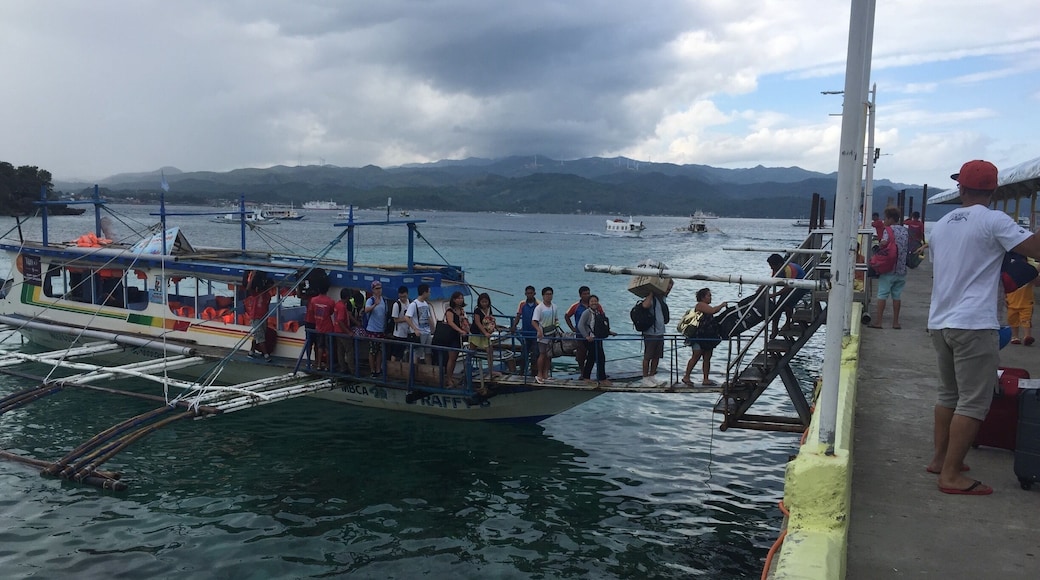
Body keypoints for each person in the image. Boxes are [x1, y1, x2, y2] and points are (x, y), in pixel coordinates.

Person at [927, 159, 1040, 496]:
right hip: (974, 323)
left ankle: (940, 459)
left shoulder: (943, 223)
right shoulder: (993, 220)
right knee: (974, 403)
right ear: (992, 190)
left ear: (961, 187)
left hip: (940, 321)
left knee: (948, 395)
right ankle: (950, 476)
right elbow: (1034, 249)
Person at [867, 206, 909, 329]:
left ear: (890, 218)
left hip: (889, 269)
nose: (884, 220)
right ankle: (895, 322)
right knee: (896, 295)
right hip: (901, 269)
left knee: (882, 294)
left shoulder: (888, 230)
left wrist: (880, 244)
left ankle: (878, 322)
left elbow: (884, 244)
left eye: (885, 218)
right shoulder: (905, 231)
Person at [681, 288, 729, 386]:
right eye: (709, 295)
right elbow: (712, 311)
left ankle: (706, 379)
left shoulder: (706, 306)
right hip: (699, 336)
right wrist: (722, 305)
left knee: (707, 357)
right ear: (703, 297)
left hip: (708, 336)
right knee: (696, 356)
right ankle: (686, 377)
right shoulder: (700, 305)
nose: (710, 297)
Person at [637, 279, 672, 378]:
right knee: (648, 356)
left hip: (660, 333)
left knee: (657, 357)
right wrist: (651, 293)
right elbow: (645, 305)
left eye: (670, 290)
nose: (668, 292)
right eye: (667, 289)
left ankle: (652, 376)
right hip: (650, 333)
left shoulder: (662, 299)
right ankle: (645, 377)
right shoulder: (652, 298)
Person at [433, 291, 469, 387]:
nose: (460, 300)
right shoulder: (450, 310)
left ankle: (450, 376)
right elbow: (450, 322)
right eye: (458, 298)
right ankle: (449, 378)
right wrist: (460, 330)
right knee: (451, 358)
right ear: (454, 299)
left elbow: (464, 321)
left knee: (454, 358)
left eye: (461, 298)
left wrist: (466, 328)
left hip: (457, 337)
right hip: (450, 336)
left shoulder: (461, 310)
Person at [766, 253, 805, 338]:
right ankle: (774, 329)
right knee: (778, 308)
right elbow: (772, 280)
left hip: (801, 286)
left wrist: (774, 294)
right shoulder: (777, 269)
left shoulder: (789, 269)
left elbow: (789, 288)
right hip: (791, 286)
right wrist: (759, 291)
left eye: (772, 266)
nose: (771, 268)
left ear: (779, 264)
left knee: (786, 304)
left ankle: (787, 323)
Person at [578, 294, 614, 384]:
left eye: (595, 301)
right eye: (592, 301)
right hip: (591, 339)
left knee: (592, 357)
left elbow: (600, 326)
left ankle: (587, 376)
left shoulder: (598, 312)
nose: (594, 303)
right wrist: (586, 336)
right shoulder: (587, 312)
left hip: (597, 338)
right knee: (600, 357)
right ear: (589, 303)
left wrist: (609, 332)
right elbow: (580, 325)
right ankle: (601, 378)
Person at [531, 287, 560, 384]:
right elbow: (534, 321)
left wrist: (557, 326)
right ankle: (539, 374)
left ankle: (546, 374)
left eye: (550, 294)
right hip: (543, 335)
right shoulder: (539, 308)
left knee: (549, 355)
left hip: (552, 333)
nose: (549, 296)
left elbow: (556, 319)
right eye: (547, 294)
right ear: (543, 296)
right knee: (542, 354)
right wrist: (539, 331)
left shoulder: (554, 307)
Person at [509, 285, 539, 376]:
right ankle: (522, 373)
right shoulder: (522, 304)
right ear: (525, 294)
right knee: (523, 355)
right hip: (525, 334)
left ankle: (534, 373)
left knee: (535, 356)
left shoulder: (538, 304)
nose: (529, 295)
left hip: (535, 334)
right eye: (528, 293)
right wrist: (514, 326)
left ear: (534, 293)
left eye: (531, 293)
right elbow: (518, 315)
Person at [470, 292, 502, 376]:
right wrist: (484, 333)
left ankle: (491, 370)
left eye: (486, 302)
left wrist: (496, 327)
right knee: (471, 351)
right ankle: (468, 369)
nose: (484, 304)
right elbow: (477, 322)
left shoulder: (489, 308)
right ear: (479, 302)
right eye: (482, 302)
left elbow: (491, 319)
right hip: (476, 333)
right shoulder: (477, 310)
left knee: (490, 351)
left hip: (486, 333)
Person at [363, 281, 389, 377]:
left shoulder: (384, 300)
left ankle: (378, 369)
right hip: (372, 329)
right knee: (372, 351)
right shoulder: (371, 300)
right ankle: (372, 370)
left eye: (380, 288)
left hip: (381, 330)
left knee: (379, 351)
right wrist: (375, 305)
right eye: (377, 288)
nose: (379, 290)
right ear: (373, 290)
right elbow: (366, 310)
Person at [306, 290, 336, 371]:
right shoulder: (330, 301)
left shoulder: (313, 300)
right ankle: (327, 366)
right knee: (328, 348)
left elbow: (312, 311)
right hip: (328, 327)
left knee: (319, 347)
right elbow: (331, 312)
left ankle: (318, 365)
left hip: (318, 327)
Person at [1007, 265, 1035, 345]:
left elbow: (1036, 279)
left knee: (1026, 320)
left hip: (1026, 303)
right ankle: (1015, 336)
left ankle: (1027, 336)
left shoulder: (1029, 276)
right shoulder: (1009, 276)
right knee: (1012, 320)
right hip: (1011, 303)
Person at [405, 283, 434, 363]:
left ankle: (429, 371)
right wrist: (415, 329)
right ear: (424, 292)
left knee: (428, 353)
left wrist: (433, 329)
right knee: (417, 354)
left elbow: (429, 317)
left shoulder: (425, 304)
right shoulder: (414, 304)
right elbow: (407, 317)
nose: (429, 294)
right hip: (419, 332)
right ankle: (413, 372)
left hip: (427, 331)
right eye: (429, 292)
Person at [565, 286, 592, 369]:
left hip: (592, 334)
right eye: (584, 294)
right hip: (580, 335)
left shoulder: (594, 304)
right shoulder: (575, 306)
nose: (587, 295)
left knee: (594, 354)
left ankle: (592, 371)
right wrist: (572, 328)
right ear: (580, 295)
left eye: (588, 293)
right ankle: (582, 371)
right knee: (581, 353)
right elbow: (567, 316)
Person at [333, 288, 355, 373]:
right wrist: (348, 332)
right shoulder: (342, 307)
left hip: (337, 331)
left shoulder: (338, 304)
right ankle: (352, 370)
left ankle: (343, 368)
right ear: (347, 297)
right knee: (349, 351)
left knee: (340, 351)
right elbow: (340, 320)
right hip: (342, 332)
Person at [390, 286, 412, 361]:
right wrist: (406, 319)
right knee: (395, 353)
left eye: (404, 296)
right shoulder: (396, 305)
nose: (403, 298)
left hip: (408, 332)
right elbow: (395, 320)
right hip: (398, 333)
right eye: (401, 297)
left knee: (404, 353)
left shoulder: (410, 303)